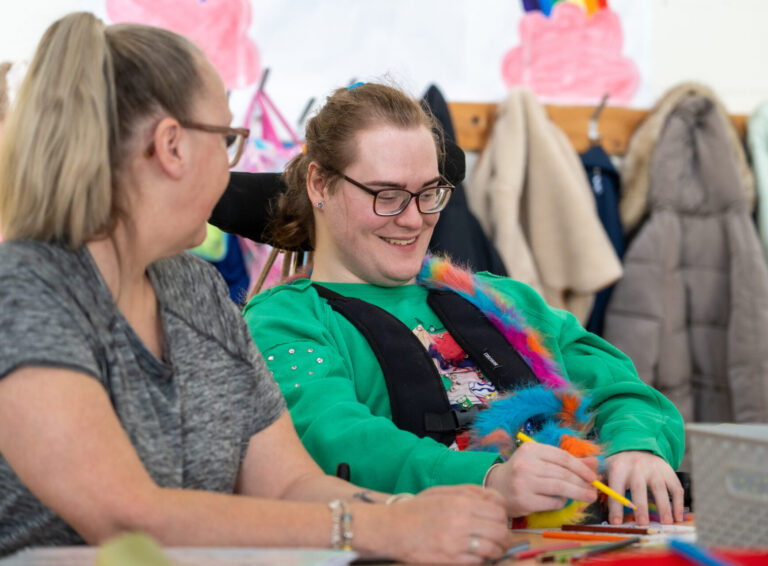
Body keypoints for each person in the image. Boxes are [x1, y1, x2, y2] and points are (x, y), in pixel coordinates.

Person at [0, 14, 512, 563]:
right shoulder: (25, 291)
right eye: (227, 141)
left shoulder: (194, 289)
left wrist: (415, 516)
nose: (231, 171)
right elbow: (127, 517)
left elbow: (290, 485)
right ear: (171, 145)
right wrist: (386, 529)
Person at [243, 82, 686, 528]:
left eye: (429, 192)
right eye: (387, 195)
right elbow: (334, 437)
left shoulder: (501, 300)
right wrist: (487, 481)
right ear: (320, 183)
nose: (415, 219)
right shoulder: (285, 322)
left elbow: (618, 387)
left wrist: (638, 445)